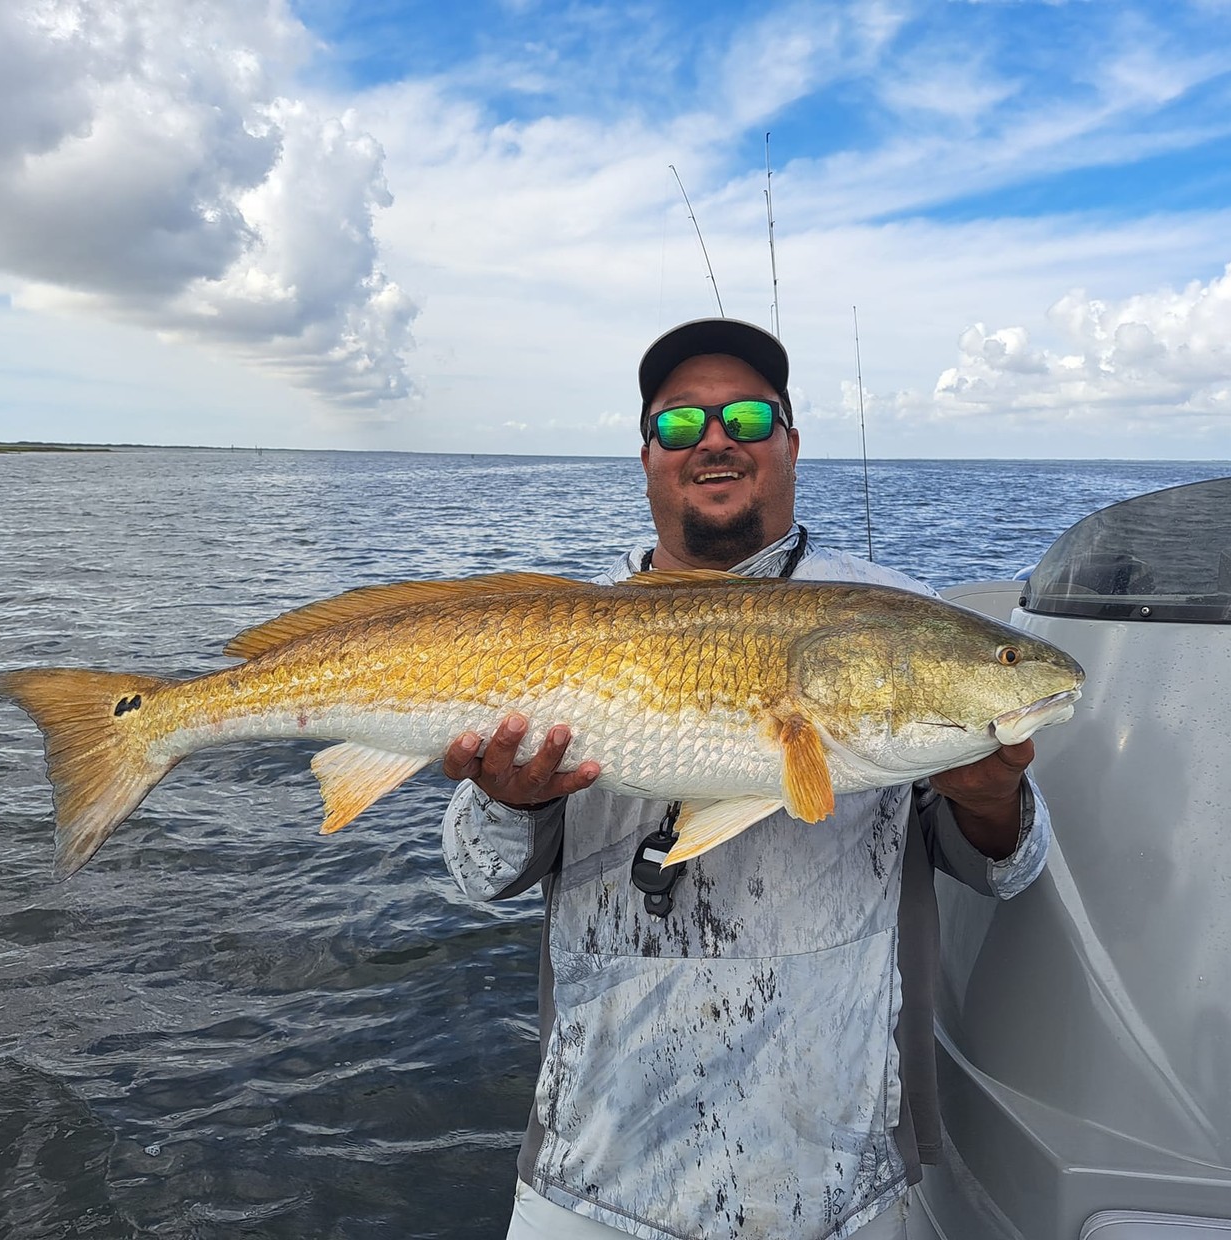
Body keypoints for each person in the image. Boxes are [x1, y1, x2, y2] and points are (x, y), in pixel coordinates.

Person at [440, 318, 1050, 1240]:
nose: (716, 439)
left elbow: (1010, 869)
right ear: (648, 457)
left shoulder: (898, 620)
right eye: (681, 423)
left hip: (839, 1175)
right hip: (592, 1170)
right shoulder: (559, 627)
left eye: (749, 417)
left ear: (791, 444)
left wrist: (994, 800)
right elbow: (478, 873)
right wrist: (504, 799)